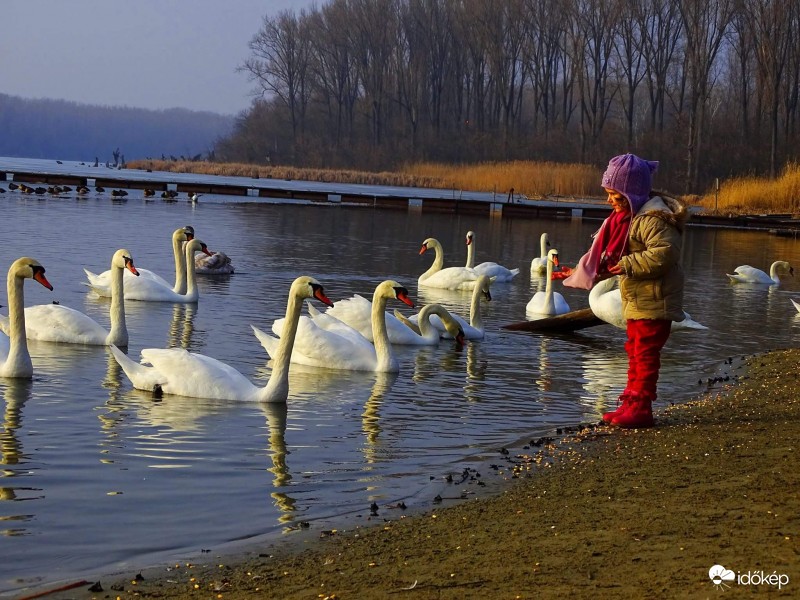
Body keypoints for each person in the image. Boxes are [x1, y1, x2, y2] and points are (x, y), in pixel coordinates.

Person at [562, 153, 688, 428]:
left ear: (631, 194)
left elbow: (664, 254)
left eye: (615, 196)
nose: (610, 201)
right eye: (608, 194)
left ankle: (641, 408)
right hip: (637, 298)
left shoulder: (653, 220)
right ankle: (630, 402)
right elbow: (616, 260)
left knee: (644, 355)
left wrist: (627, 263)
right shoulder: (628, 219)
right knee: (633, 351)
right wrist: (582, 271)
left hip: (654, 300)